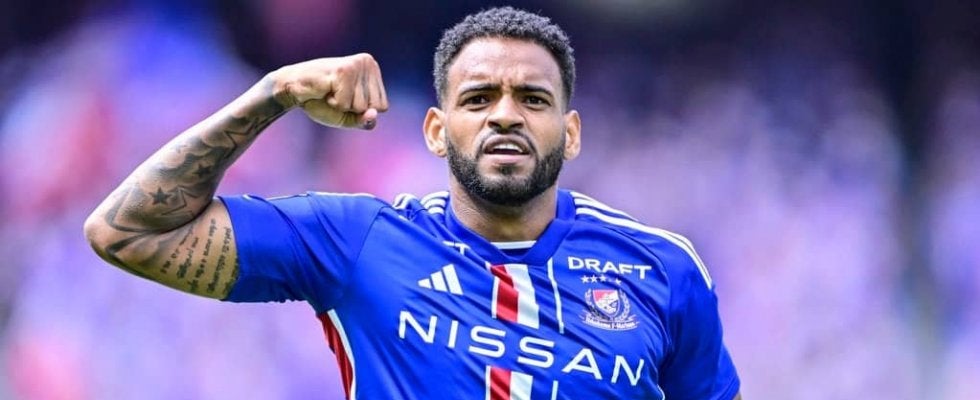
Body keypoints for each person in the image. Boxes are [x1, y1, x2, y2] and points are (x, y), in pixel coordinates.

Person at [84, 6, 741, 400]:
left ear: (570, 133)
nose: (504, 116)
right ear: (435, 130)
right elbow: (127, 232)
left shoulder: (662, 269)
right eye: (478, 99)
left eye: (533, 99)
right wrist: (274, 93)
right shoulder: (356, 241)